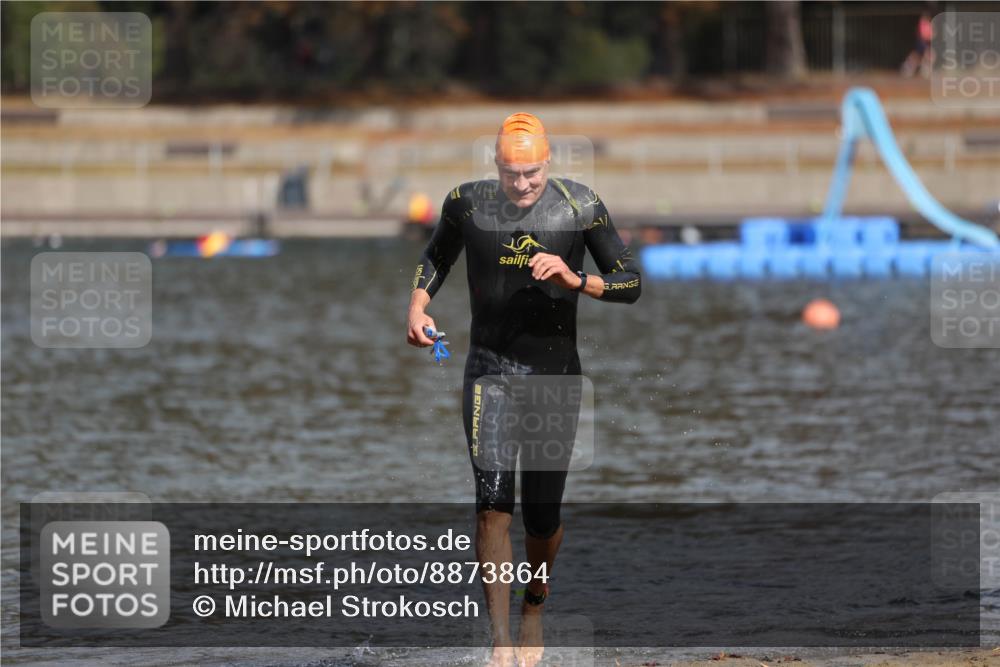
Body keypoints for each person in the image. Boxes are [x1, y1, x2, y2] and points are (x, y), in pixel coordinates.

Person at [406, 112, 640, 666]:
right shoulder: (466, 203)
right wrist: (417, 307)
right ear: (496, 165)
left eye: (532, 172)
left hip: (555, 379)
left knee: (542, 516)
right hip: (489, 371)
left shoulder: (581, 206)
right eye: (513, 174)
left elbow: (631, 282)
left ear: (548, 161)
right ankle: (500, 642)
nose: (523, 184)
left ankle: (535, 602)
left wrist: (576, 279)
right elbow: (436, 257)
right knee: (491, 505)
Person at [901, 10, 934, 78]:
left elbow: (931, 34)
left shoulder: (927, 23)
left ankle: (911, 68)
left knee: (920, 56)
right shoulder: (923, 23)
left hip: (925, 42)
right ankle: (923, 70)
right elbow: (925, 34)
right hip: (922, 42)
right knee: (926, 55)